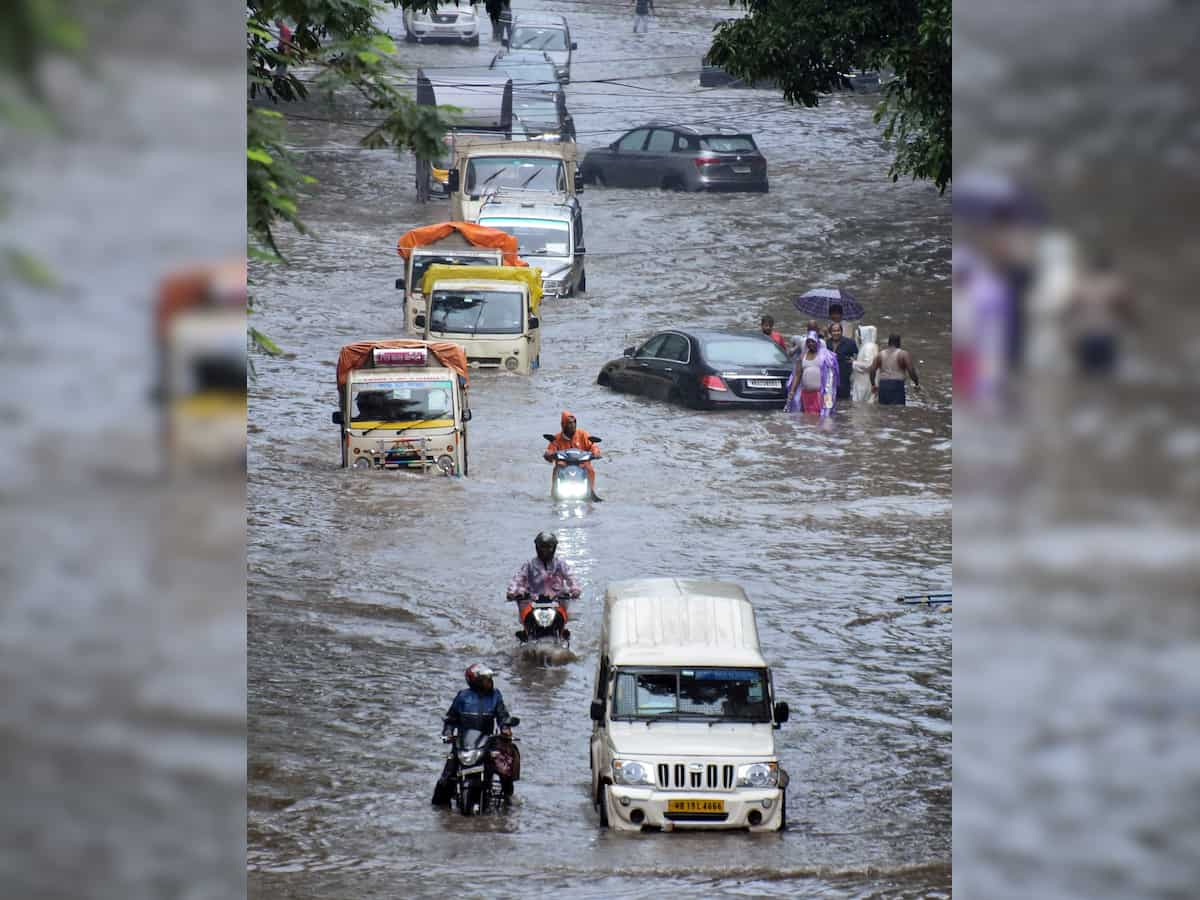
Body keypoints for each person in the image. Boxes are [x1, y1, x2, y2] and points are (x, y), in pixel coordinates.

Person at [433, 664, 517, 805]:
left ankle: (509, 800)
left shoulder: (495, 696)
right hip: (463, 745)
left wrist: (505, 727)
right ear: (475, 681)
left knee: (505, 770)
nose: (489, 682)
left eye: (490, 679)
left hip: (488, 743)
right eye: (486, 679)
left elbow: (502, 715)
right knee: (445, 778)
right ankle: (439, 811)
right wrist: (447, 733)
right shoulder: (462, 697)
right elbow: (450, 719)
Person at [506, 532, 582, 629]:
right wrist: (512, 592)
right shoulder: (529, 564)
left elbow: (571, 577)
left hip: (556, 602)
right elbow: (517, 579)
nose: (545, 551)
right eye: (543, 547)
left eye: (548, 547)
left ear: (554, 548)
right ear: (537, 547)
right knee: (526, 620)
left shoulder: (560, 564)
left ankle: (562, 634)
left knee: (563, 622)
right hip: (533, 603)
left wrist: (575, 590)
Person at [544, 410, 603, 501]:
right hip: (563, 466)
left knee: (589, 468)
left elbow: (593, 446)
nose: (572, 425)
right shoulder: (557, 439)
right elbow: (551, 450)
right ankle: (554, 493)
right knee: (557, 468)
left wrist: (596, 453)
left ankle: (590, 492)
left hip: (582, 465)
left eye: (574, 422)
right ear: (564, 425)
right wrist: (549, 454)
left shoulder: (583, 435)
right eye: (569, 423)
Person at [785, 330, 838, 416]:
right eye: (808, 342)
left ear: (817, 341)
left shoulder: (825, 355)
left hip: (819, 395)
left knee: (820, 418)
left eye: (812, 341)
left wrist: (828, 396)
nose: (810, 344)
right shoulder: (802, 356)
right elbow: (797, 375)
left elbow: (831, 375)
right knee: (807, 418)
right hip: (806, 394)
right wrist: (792, 392)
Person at [870, 334, 920, 405]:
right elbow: (911, 370)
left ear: (888, 343)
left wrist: (873, 384)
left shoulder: (880, 354)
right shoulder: (903, 354)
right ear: (899, 342)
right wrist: (916, 383)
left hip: (883, 385)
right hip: (897, 385)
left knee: (883, 409)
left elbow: (872, 370)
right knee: (898, 410)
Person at [826, 322, 858, 402]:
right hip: (829, 379)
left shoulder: (850, 343)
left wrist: (854, 361)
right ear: (830, 332)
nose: (836, 333)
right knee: (827, 402)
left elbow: (857, 356)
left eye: (838, 331)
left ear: (841, 331)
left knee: (843, 404)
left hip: (844, 379)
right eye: (833, 331)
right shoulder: (827, 343)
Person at [851, 324, 879, 402]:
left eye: (860, 335)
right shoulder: (868, 346)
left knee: (862, 407)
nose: (858, 337)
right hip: (864, 381)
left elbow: (870, 364)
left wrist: (854, 363)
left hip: (865, 382)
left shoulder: (869, 347)